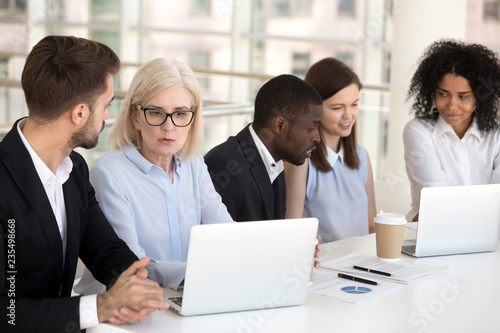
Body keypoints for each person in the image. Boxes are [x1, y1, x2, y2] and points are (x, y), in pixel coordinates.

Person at [0, 35, 168, 333]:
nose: (107, 115)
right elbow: (6, 312)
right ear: (79, 113)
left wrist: (132, 283)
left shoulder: (74, 168)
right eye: (106, 104)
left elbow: (104, 247)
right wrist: (102, 306)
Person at [73, 58, 234, 295]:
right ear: (136, 117)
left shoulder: (194, 164)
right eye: (157, 113)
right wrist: (189, 274)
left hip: (183, 295)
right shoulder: (109, 172)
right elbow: (130, 264)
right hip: (121, 306)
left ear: (193, 117)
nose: (169, 127)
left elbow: (227, 234)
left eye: (180, 114)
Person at [204, 74, 323, 223]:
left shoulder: (275, 161)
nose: (317, 138)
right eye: (311, 128)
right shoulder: (224, 165)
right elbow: (215, 242)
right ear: (279, 125)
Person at [404, 39, 500, 221]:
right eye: (443, 94)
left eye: (463, 97)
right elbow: (437, 204)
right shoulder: (418, 131)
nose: (452, 106)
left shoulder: (496, 135)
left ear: (479, 96)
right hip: (431, 235)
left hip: (488, 236)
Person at [284, 58, 376, 243]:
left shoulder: (361, 156)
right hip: (325, 266)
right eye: (337, 107)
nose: (348, 115)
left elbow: (371, 225)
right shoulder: (301, 161)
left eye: (354, 104)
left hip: (362, 265)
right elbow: (292, 231)